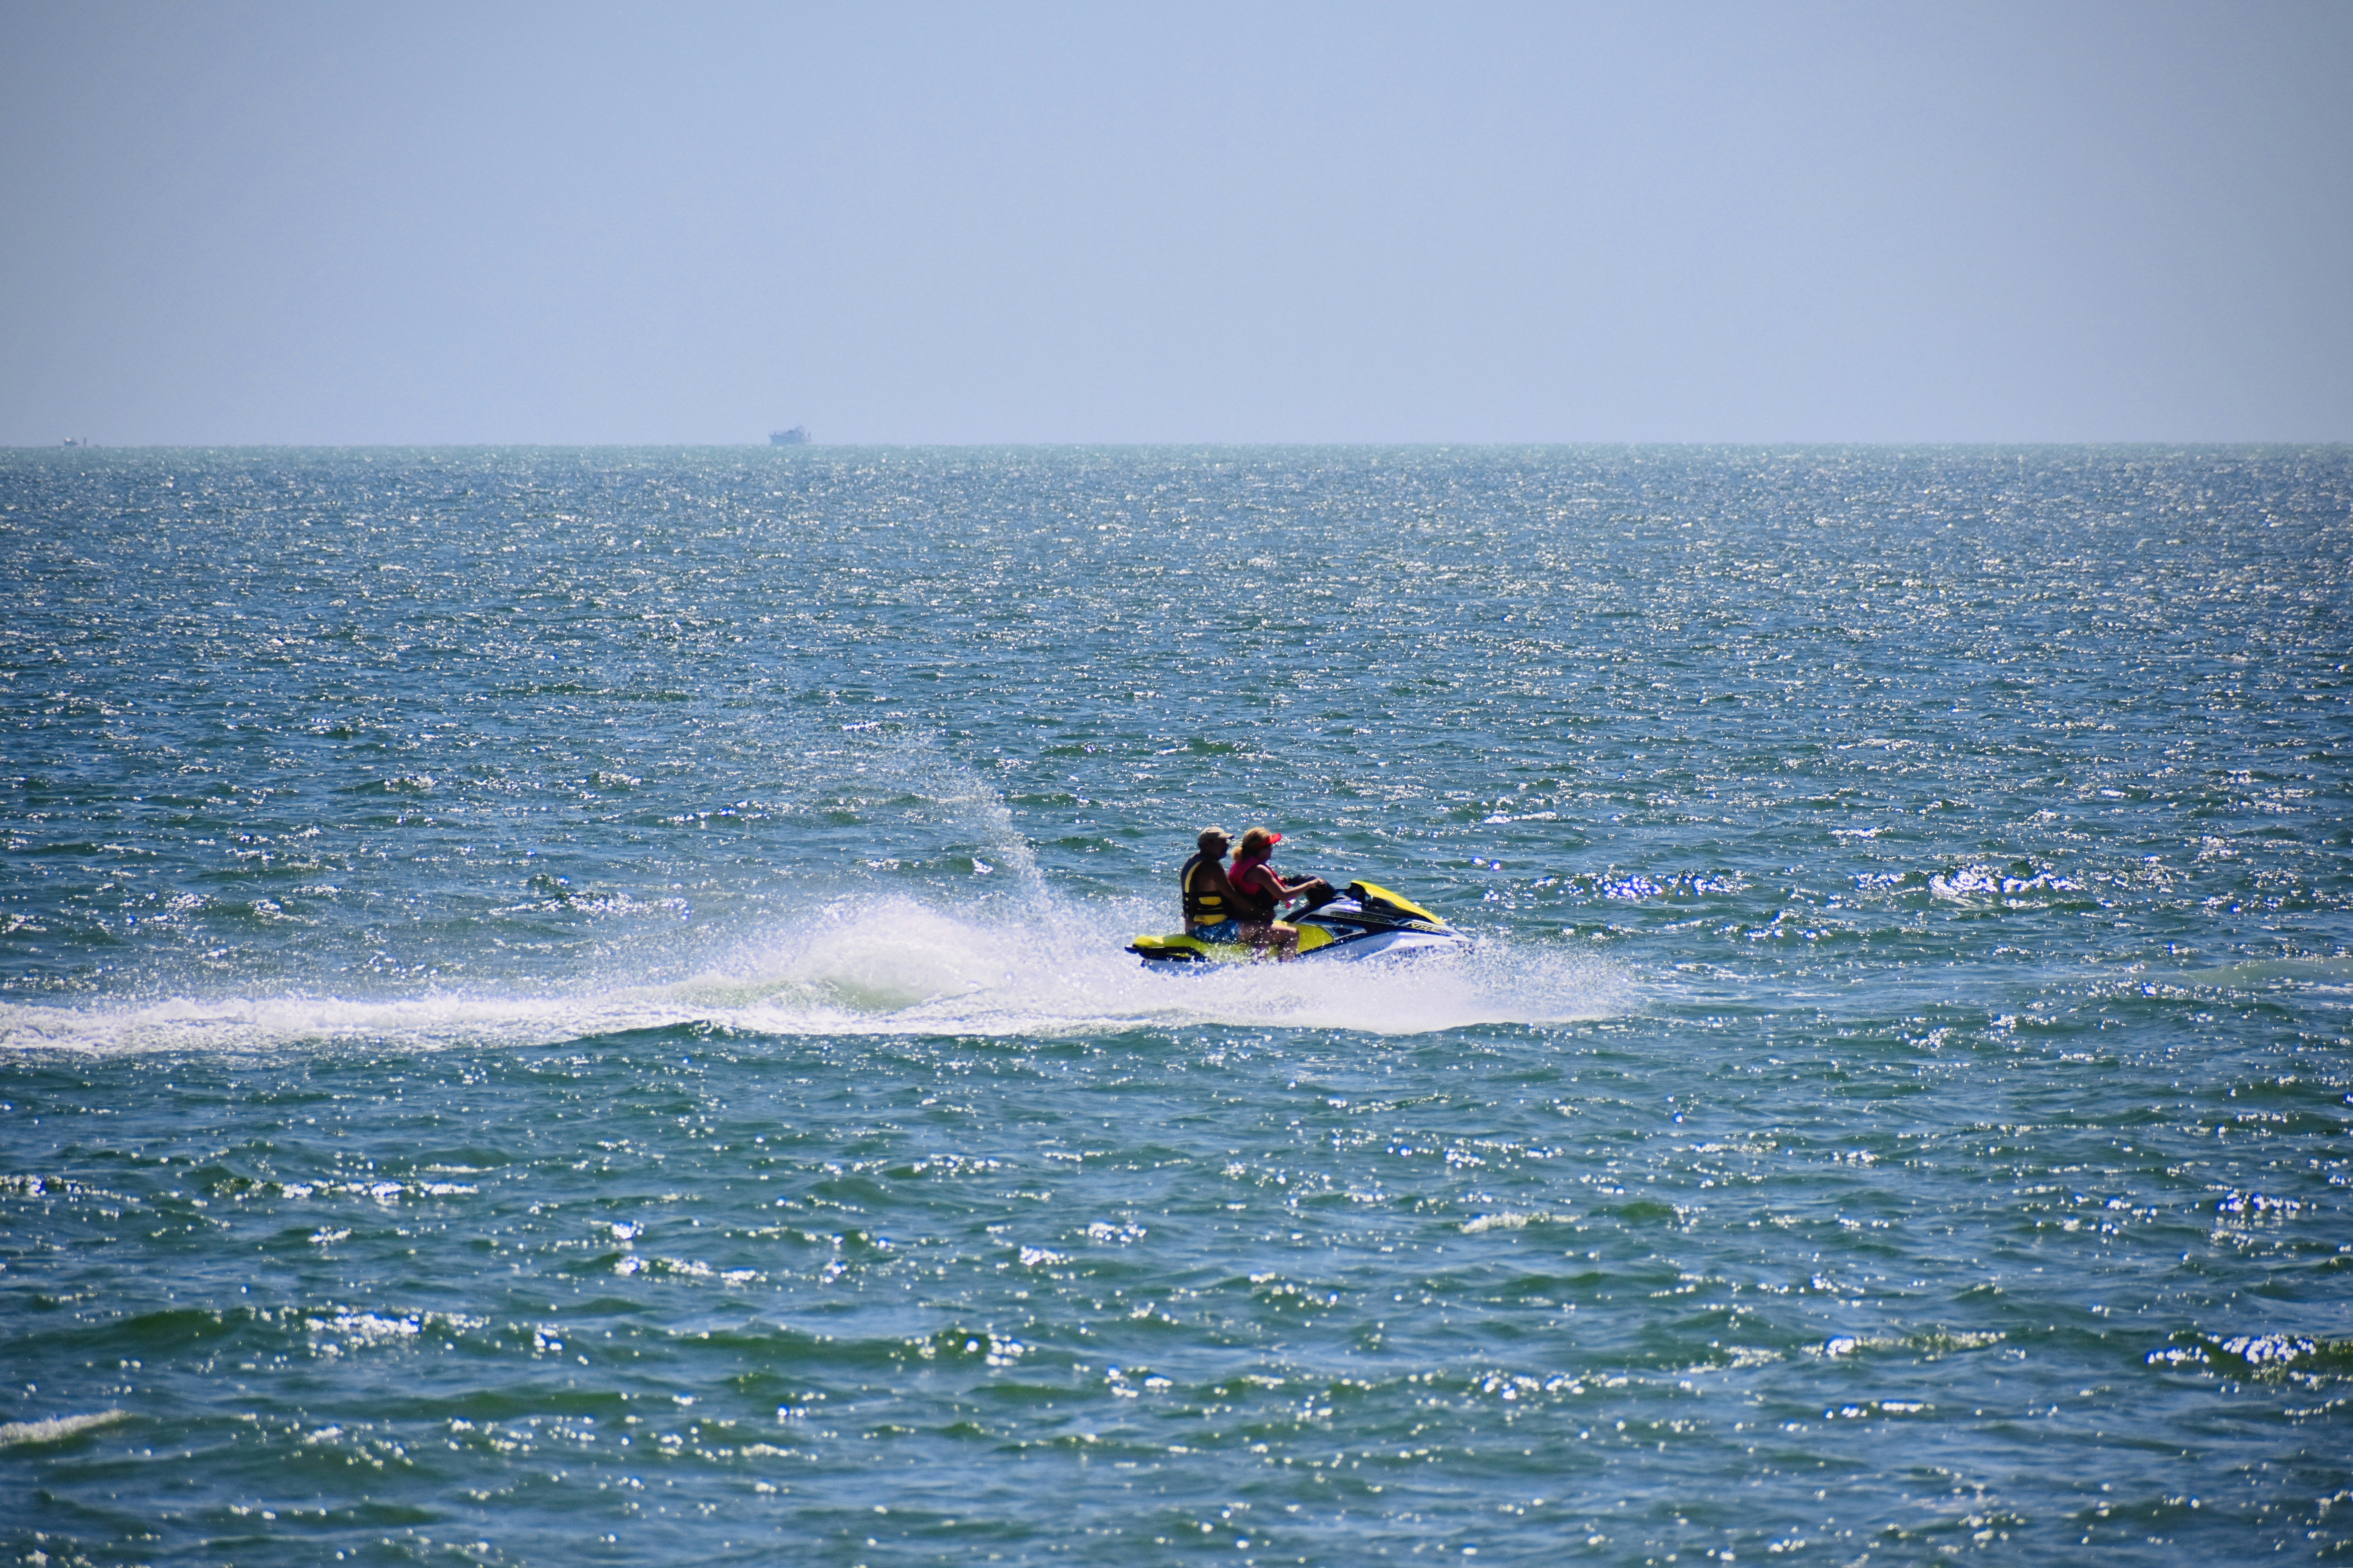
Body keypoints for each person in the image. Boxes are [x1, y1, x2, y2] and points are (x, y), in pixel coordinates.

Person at [1227, 826, 1334, 961]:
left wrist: (1279, 881)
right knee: (1293, 934)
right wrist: (1310, 885)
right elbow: (1284, 896)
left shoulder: (1240, 863)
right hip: (1253, 921)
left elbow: (1254, 886)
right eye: (1270, 846)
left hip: (1243, 918)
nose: (1272, 849)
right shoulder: (1260, 870)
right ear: (1261, 850)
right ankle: (1283, 968)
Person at [1178, 826, 1245, 945]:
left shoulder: (1192, 862)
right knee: (1263, 928)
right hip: (1210, 931)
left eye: (1226, 842)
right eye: (1221, 843)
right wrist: (1262, 913)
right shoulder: (1212, 867)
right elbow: (1234, 898)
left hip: (1192, 929)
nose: (1227, 846)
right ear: (1207, 845)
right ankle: (1258, 957)